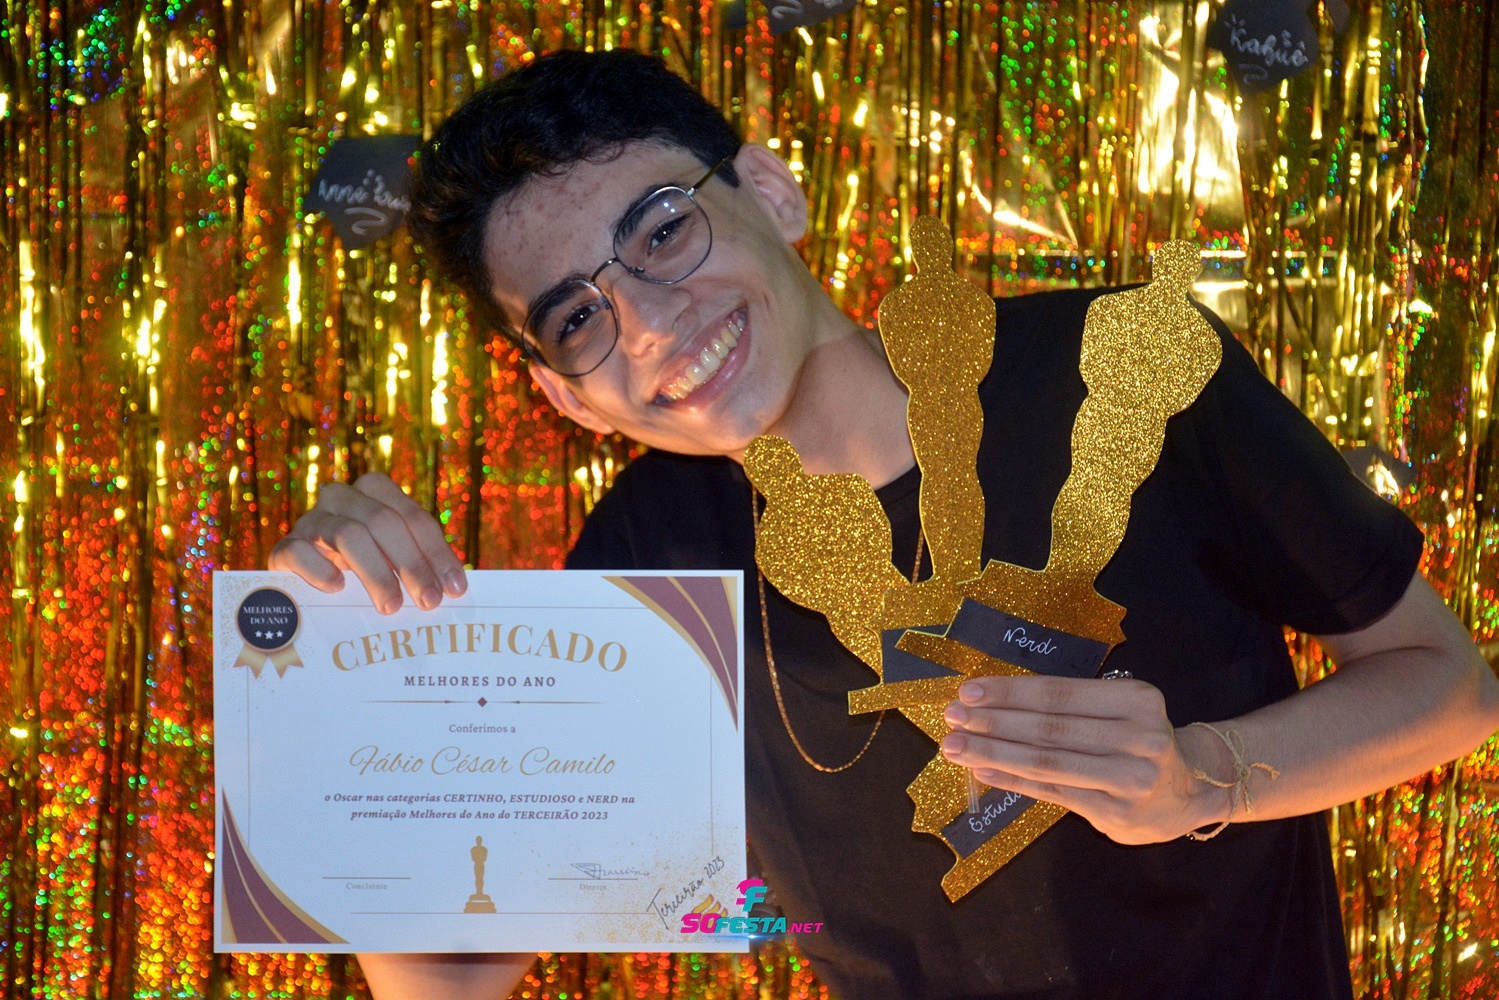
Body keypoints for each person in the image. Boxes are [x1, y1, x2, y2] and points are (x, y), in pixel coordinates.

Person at [267, 49, 1499, 999]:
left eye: (661, 230)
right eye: (578, 318)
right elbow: (453, 976)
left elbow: (1447, 685)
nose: (650, 322)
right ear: (565, 397)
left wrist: (1202, 777)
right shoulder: (646, 570)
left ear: (770, 191)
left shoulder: (1125, 363)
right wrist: (333, 666)